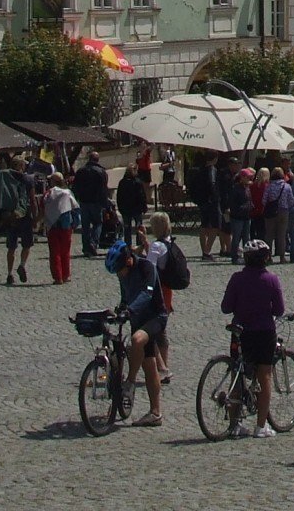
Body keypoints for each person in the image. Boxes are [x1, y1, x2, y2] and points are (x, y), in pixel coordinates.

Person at [220, 237, 286, 436]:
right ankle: (260, 426)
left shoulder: (236, 278)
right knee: (264, 375)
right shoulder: (271, 280)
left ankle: (234, 424)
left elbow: (226, 307)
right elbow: (280, 309)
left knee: (237, 373)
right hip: (264, 332)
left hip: (241, 331)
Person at [109, 239, 167, 426]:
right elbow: (125, 295)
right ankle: (155, 412)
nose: (119, 275)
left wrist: (130, 309)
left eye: (119, 270)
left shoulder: (146, 267)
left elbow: (147, 293)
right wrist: (121, 308)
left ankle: (130, 382)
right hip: (137, 318)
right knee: (149, 365)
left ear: (128, 261)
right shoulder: (122, 274)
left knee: (136, 339)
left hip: (155, 317)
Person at [143, 215, 178, 384]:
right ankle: (163, 367)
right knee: (161, 331)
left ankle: (162, 368)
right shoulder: (168, 243)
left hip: (156, 293)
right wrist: (144, 244)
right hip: (167, 290)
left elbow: (149, 268)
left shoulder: (157, 246)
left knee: (149, 332)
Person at [0, 154, 36, 285]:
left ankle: (9, 273)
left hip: (10, 215)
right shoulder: (28, 179)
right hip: (24, 215)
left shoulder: (4, 178)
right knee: (27, 244)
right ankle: (22, 265)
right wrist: (35, 217)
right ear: (20, 166)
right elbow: (32, 199)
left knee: (11, 247)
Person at [42, 170, 79, 285]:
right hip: (66, 225)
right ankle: (66, 275)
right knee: (65, 251)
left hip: (52, 225)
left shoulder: (48, 193)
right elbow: (76, 208)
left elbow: (42, 206)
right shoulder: (67, 193)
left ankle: (58, 277)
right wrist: (75, 223)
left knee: (54, 253)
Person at [72, 152, 111, 258]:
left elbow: (75, 186)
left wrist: (77, 198)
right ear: (97, 160)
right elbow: (104, 189)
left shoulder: (81, 171)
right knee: (98, 223)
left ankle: (86, 248)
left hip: (84, 201)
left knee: (85, 226)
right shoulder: (101, 171)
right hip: (96, 202)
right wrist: (105, 203)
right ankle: (93, 243)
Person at [189, 153, 221, 261]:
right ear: (215, 159)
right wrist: (215, 196)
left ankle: (204, 251)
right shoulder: (212, 170)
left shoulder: (199, 170)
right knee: (215, 226)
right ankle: (207, 251)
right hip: (211, 202)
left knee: (204, 225)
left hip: (202, 202)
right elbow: (212, 184)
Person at [227, 164, 255, 263]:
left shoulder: (247, 187)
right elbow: (233, 204)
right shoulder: (235, 189)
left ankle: (247, 257)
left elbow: (249, 199)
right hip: (237, 217)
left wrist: (251, 205)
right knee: (236, 237)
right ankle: (234, 257)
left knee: (247, 238)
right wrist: (244, 207)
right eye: (247, 177)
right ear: (242, 177)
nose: (249, 178)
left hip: (247, 216)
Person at [116, 162, 148, 235]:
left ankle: (128, 244)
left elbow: (119, 196)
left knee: (127, 229)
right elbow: (142, 196)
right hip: (136, 208)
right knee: (139, 227)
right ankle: (140, 243)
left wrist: (120, 208)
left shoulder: (122, 182)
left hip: (125, 208)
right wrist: (144, 206)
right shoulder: (137, 182)